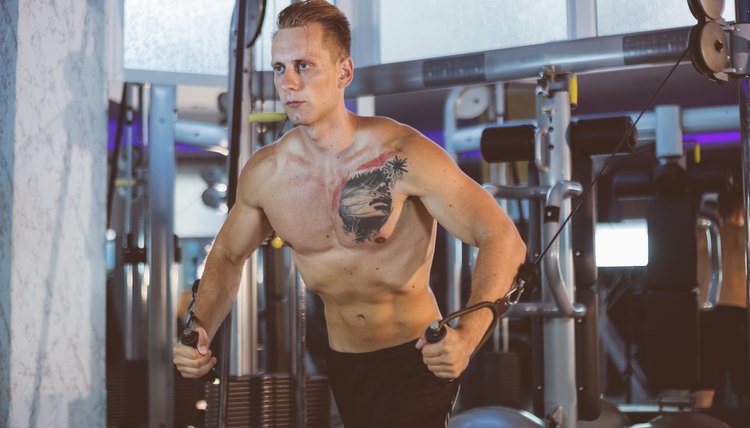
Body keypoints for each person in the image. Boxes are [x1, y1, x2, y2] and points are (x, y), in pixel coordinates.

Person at [172, 1, 526, 426]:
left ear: (344, 72)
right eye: (280, 68)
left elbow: (502, 236)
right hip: (342, 362)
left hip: (414, 358)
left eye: (305, 65)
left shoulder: (402, 154)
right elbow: (227, 256)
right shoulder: (267, 174)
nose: (289, 82)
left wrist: (468, 338)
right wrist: (202, 328)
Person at [696, 186, 748, 408]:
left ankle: (697, 422)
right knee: (745, 377)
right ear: (741, 209)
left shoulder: (704, 236)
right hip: (735, 310)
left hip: (705, 313)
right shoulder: (742, 238)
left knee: (706, 377)